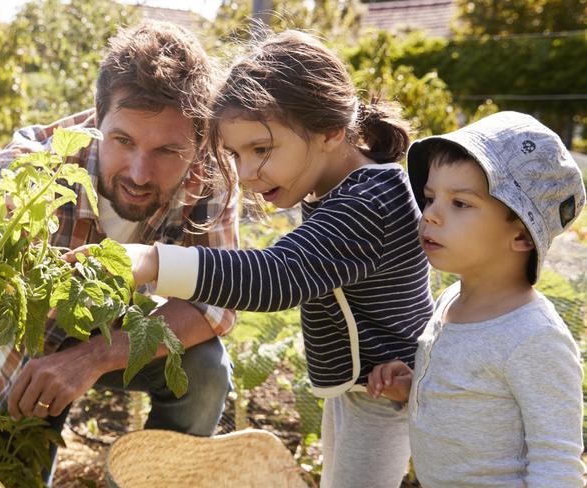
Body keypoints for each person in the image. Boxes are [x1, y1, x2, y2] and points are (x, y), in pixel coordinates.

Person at [76, 30, 434, 488]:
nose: (245, 175)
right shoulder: (338, 188)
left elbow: (276, 276)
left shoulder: (369, 202)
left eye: (261, 150)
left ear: (330, 131)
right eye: (235, 154)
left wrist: (153, 261)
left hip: (387, 395)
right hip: (367, 390)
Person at [0, 21, 238, 481]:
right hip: (32, 349)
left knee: (205, 369)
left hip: (130, 333)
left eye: (166, 151)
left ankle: (154, 477)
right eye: (123, 141)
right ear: (97, 118)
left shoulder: (210, 180)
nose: (139, 173)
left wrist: (92, 357)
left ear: (198, 144)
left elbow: (213, 304)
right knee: (7, 470)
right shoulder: (41, 166)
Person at [368, 111, 586, 487]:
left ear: (521, 235)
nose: (430, 215)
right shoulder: (451, 300)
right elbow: (478, 398)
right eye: (431, 197)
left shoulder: (534, 338)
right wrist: (416, 386)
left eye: (461, 204)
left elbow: (558, 464)